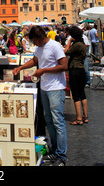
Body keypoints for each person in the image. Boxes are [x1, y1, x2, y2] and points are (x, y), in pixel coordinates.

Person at [13, 25, 68, 166]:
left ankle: (61, 155)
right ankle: (54, 151)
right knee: (48, 121)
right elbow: (35, 61)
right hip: (44, 88)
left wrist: (44, 70)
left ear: (42, 38)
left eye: (35, 41)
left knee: (58, 121)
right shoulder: (39, 47)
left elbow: (64, 66)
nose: (34, 44)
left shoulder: (55, 46)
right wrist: (21, 67)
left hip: (56, 88)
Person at [64, 26, 88, 125]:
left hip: (74, 70)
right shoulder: (82, 44)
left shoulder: (76, 45)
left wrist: (69, 41)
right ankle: (85, 116)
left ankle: (78, 118)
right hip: (82, 70)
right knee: (82, 93)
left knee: (76, 94)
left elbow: (66, 52)